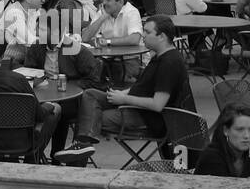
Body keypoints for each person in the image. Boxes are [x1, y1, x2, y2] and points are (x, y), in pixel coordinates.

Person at [70, 16, 195, 148]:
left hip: (148, 117)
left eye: (147, 32)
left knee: (88, 117)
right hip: (135, 107)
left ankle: (81, 147)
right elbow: (143, 85)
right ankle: (82, 145)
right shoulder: (160, 56)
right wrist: (122, 93)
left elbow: (158, 104)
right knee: (90, 94)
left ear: (162, 36)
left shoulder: (169, 63)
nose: (143, 36)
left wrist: (124, 99)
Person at [0, 41, 60, 157]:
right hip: (20, 140)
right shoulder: (17, 80)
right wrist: (50, 105)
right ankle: (33, 157)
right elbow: (39, 114)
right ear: (3, 55)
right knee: (56, 109)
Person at [83, 0, 144, 84]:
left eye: (108, 0)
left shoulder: (131, 12)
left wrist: (108, 41)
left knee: (118, 80)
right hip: (105, 60)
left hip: (128, 60)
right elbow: (85, 37)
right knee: (88, 78)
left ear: (120, 2)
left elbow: (135, 39)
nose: (104, 3)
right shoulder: (104, 11)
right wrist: (102, 17)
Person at [194, 104, 250, 178]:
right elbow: (233, 188)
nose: (247, 135)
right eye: (240, 129)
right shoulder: (211, 157)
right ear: (226, 130)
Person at [0, 0, 43, 65]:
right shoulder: (14, 13)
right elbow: (30, 41)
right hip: (9, 62)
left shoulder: (33, 10)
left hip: (24, 56)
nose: (43, 0)